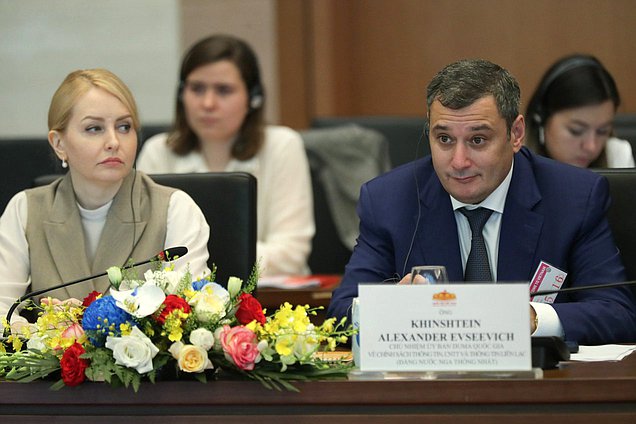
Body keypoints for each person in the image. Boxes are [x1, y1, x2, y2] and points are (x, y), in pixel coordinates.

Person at [327, 59, 636, 345]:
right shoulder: (389, 200)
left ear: (515, 134)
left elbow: (617, 312)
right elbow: (341, 314)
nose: (459, 162)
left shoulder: (574, 197)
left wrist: (530, 319)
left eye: (477, 140)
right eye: (444, 139)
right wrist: (392, 307)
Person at [0, 69, 210, 330]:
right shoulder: (25, 211)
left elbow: (190, 313)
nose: (113, 141)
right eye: (94, 128)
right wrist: (46, 335)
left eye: (124, 127)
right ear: (58, 143)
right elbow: (1, 310)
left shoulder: (174, 209)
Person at [137, 34, 314, 277]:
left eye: (223, 90)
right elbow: (144, 253)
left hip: (271, 301)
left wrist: (195, 258)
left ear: (253, 98)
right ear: (181, 94)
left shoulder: (282, 146)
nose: (208, 103)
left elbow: (291, 255)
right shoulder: (157, 152)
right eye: (197, 89)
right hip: (177, 304)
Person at [525, 54, 634, 168]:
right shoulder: (512, 163)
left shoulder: (616, 156)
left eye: (602, 131)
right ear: (541, 119)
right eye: (576, 131)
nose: (591, 147)